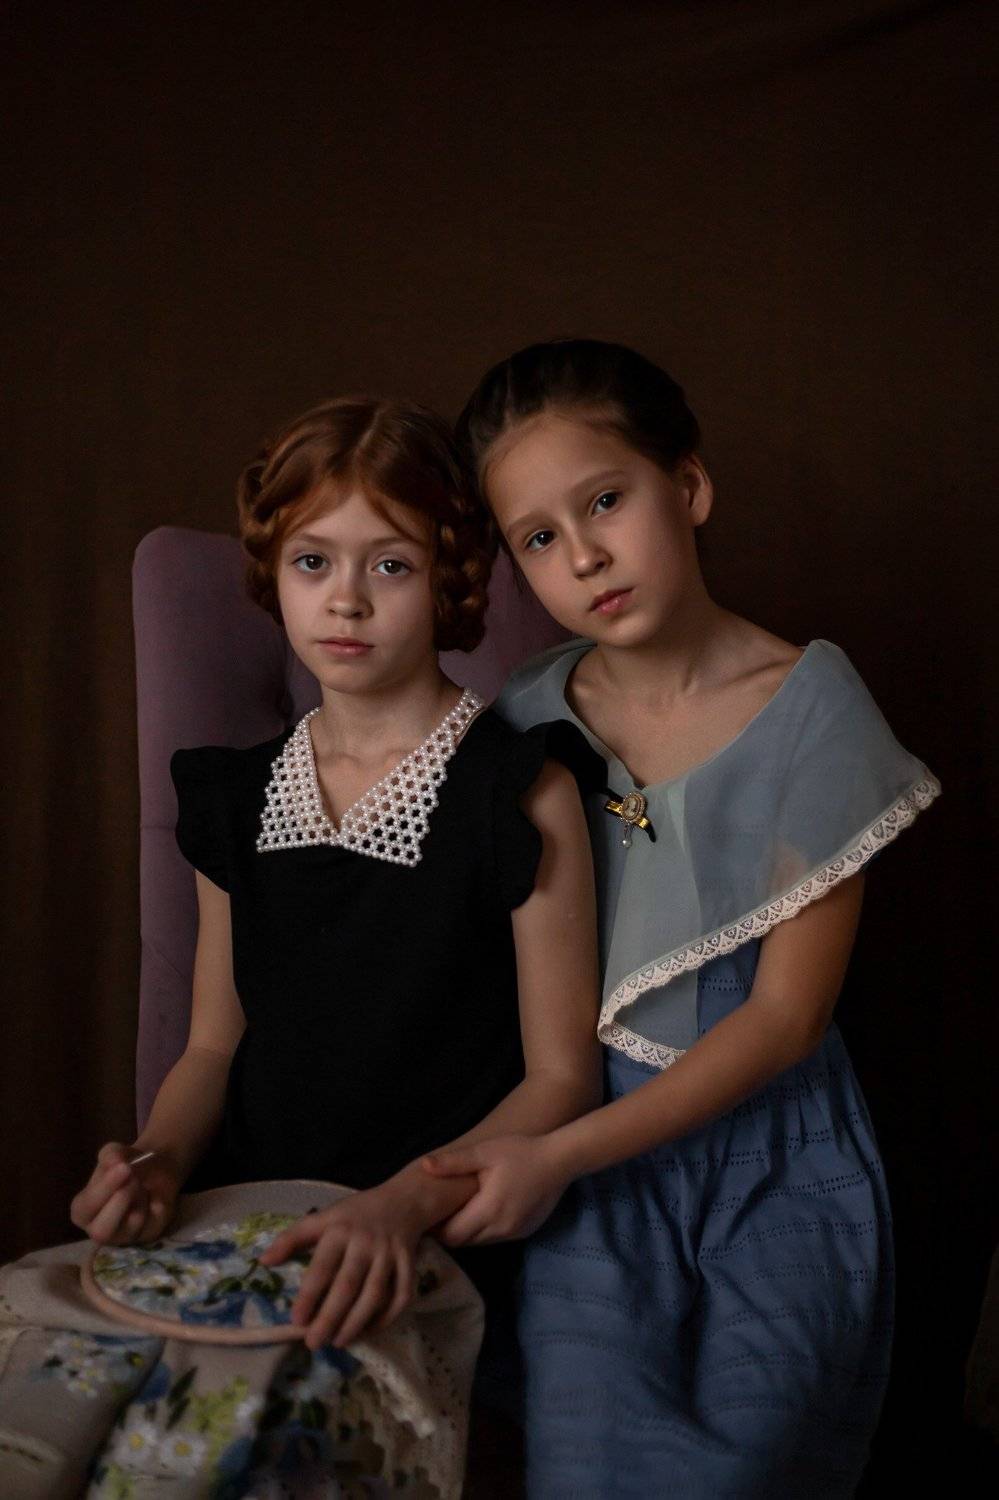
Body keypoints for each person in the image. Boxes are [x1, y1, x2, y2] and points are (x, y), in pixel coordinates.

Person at [423, 340, 941, 1498]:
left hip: (772, 1157)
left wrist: (555, 1157)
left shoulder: (810, 705)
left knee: (749, 1461)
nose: (585, 556)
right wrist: (538, 1151)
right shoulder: (528, 715)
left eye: (606, 501)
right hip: (587, 1151)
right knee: (585, 1457)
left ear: (689, 487)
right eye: (538, 538)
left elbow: (788, 1019)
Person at [63, 395, 603, 1489]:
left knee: (256, 1450)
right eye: (313, 562)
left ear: (451, 578)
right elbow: (212, 1046)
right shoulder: (234, 796)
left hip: (433, 1229)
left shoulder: (519, 790)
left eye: (390, 566)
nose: (345, 599)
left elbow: (562, 1077)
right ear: (275, 574)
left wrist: (407, 1205)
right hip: (244, 1216)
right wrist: (155, 1163)